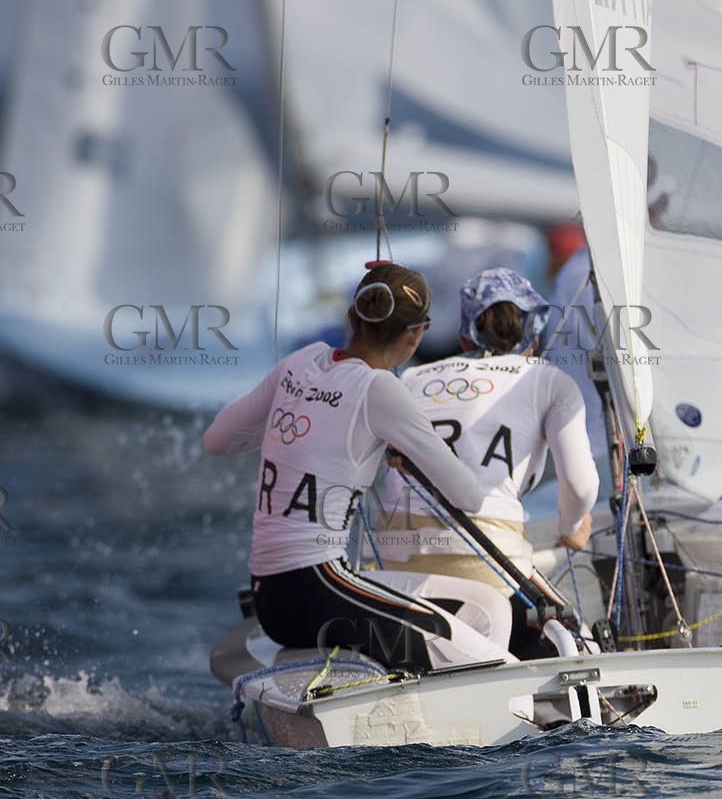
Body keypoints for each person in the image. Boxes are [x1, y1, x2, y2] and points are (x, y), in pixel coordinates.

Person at [203, 262, 514, 671]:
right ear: (416, 335)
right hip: (316, 590)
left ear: (351, 318)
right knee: (489, 665)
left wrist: (308, 432)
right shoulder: (381, 388)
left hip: (271, 597)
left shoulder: (301, 362)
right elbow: (468, 496)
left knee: (488, 607)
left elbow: (217, 441)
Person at [376, 268, 599, 655]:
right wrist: (571, 526)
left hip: (396, 571)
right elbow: (580, 487)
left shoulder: (411, 378)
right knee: (585, 652)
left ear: (464, 336)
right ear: (536, 331)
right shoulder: (550, 380)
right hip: (490, 567)